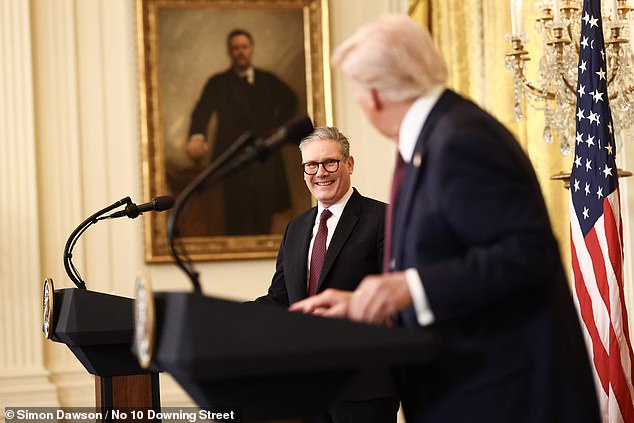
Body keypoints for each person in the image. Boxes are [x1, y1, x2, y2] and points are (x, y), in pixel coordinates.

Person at [290, 15, 601, 423]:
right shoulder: (435, 137)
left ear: (374, 95)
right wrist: (366, 304)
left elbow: (526, 256)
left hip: (504, 397)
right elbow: (450, 267)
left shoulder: (461, 139)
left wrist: (409, 287)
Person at [255, 127, 398, 423]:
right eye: (311, 165)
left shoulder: (383, 219)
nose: (321, 172)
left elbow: (392, 300)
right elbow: (280, 300)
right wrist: (230, 316)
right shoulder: (295, 228)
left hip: (365, 386)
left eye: (330, 162)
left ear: (349, 164)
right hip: (308, 387)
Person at [187, 28, 297, 235]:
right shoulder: (217, 83)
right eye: (236, 48)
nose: (240, 52)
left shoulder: (267, 80)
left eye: (244, 47)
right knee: (236, 217)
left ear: (251, 49)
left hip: (264, 159)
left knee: (263, 216)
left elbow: (291, 100)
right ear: (230, 52)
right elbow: (202, 112)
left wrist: (277, 126)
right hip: (232, 162)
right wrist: (197, 136)